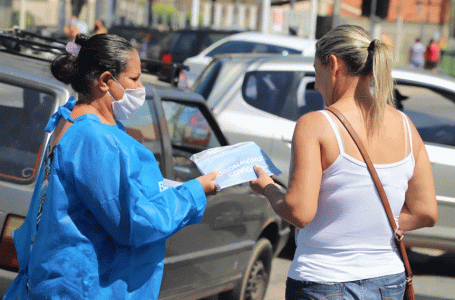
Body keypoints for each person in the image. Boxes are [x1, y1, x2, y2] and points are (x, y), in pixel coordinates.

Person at [4, 33, 217, 299]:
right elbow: (133, 222)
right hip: (83, 288)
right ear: (105, 81)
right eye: (135, 79)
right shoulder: (94, 138)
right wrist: (195, 192)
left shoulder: (72, 117)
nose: (141, 88)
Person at [250, 25, 438, 299]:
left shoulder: (316, 125)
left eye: (316, 71)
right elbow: (426, 212)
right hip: (388, 281)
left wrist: (267, 188)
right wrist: (367, 222)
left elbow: (299, 212)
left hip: (324, 280)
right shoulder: (406, 126)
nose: (316, 83)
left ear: (334, 65)